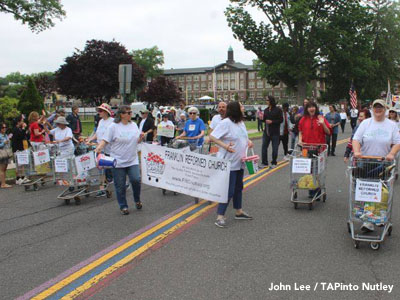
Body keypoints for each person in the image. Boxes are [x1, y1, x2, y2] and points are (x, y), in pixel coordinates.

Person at [353, 99, 400, 232]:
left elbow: (397, 142)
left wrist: (392, 153)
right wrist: (357, 151)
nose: (378, 110)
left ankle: (378, 216)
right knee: (366, 191)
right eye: (375, 107)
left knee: (381, 193)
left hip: (384, 163)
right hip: (366, 162)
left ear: (385, 109)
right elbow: (356, 138)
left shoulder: (391, 125)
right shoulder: (366, 123)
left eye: (380, 107)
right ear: (372, 109)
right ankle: (368, 221)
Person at [210, 101, 253, 228]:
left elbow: (243, 137)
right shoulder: (225, 123)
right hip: (229, 162)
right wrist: (225, 146)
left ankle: (238, 211)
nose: (243, 108)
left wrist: (249, 141)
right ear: (236, 109)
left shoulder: (240, 122)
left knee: (239, 187)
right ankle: (220, 216)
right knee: (228, 190)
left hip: (240, 161)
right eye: (241, 106)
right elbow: (212, 137)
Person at [95, 105, 145, 215]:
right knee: (120, 185)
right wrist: (99, 147)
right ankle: (123, 206)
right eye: (128, 113)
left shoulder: (134, 125)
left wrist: (141, 138)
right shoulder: (113, 127)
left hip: (132, 159)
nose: (130, 114)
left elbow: (137, 141)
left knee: (136, 180)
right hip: (117, 161)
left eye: (131, 112)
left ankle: (137, 200)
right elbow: (105, 139)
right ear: (122, 114)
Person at [298, 102, 332, 198]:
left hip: (319, 149)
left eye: (313, 107)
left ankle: (315, 190)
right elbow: (300, 131)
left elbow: (328, 132)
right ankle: (313, 188)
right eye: (309, 107)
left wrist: (323, 124)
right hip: (306, 149)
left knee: (317, 170)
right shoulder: (303, 119)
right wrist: (300, 140)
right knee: (309, 170)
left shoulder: (321, 118)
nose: (311, 109)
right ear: (307, 109)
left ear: (316, 108)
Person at [87, 103, 115, 188]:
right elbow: (97, 133)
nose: (99, 112)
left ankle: (121, 182)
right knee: (101, 168)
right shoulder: (101, 121)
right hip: (100, 148)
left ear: (106, 112)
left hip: (110, 149)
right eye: (99, 111)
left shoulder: (112, 121)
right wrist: (90, 139)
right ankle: (103, 186)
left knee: (111, 168)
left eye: (101, 111)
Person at [261, 96, 283, 168]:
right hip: (266, 131)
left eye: (267, 100)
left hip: (275, 132)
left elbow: (281, 120)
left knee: (275, 148)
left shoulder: (278, 110)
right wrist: (262, 119)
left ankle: (274, 162)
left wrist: (272, 121)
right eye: (266, 100)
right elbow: (264, 119)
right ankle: (264, 162)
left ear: (271, 101)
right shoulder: (266, 110)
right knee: (264, 147)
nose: (266, 101)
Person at [11, 115, 30, 185]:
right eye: (22, 120)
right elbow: (20, 137)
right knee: (18, 165)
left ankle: (22, 176)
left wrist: (25, 129)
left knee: (22, 163)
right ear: (18, 122)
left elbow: (25, 136)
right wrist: (24, 128)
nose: (23, 122)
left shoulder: (19, 129)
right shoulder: (15, 129)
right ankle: (18, 178)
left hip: (21, 148)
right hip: (17, 149)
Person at [0, 123, 12, 188]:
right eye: (3, 127)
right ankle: (3, 184)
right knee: (2, 169)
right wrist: (3, 143)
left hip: (7, 152)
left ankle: (4, 182)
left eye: (5, 127)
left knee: (4, 169)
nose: (4, 129)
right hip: (2, 152)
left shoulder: (6, 135)